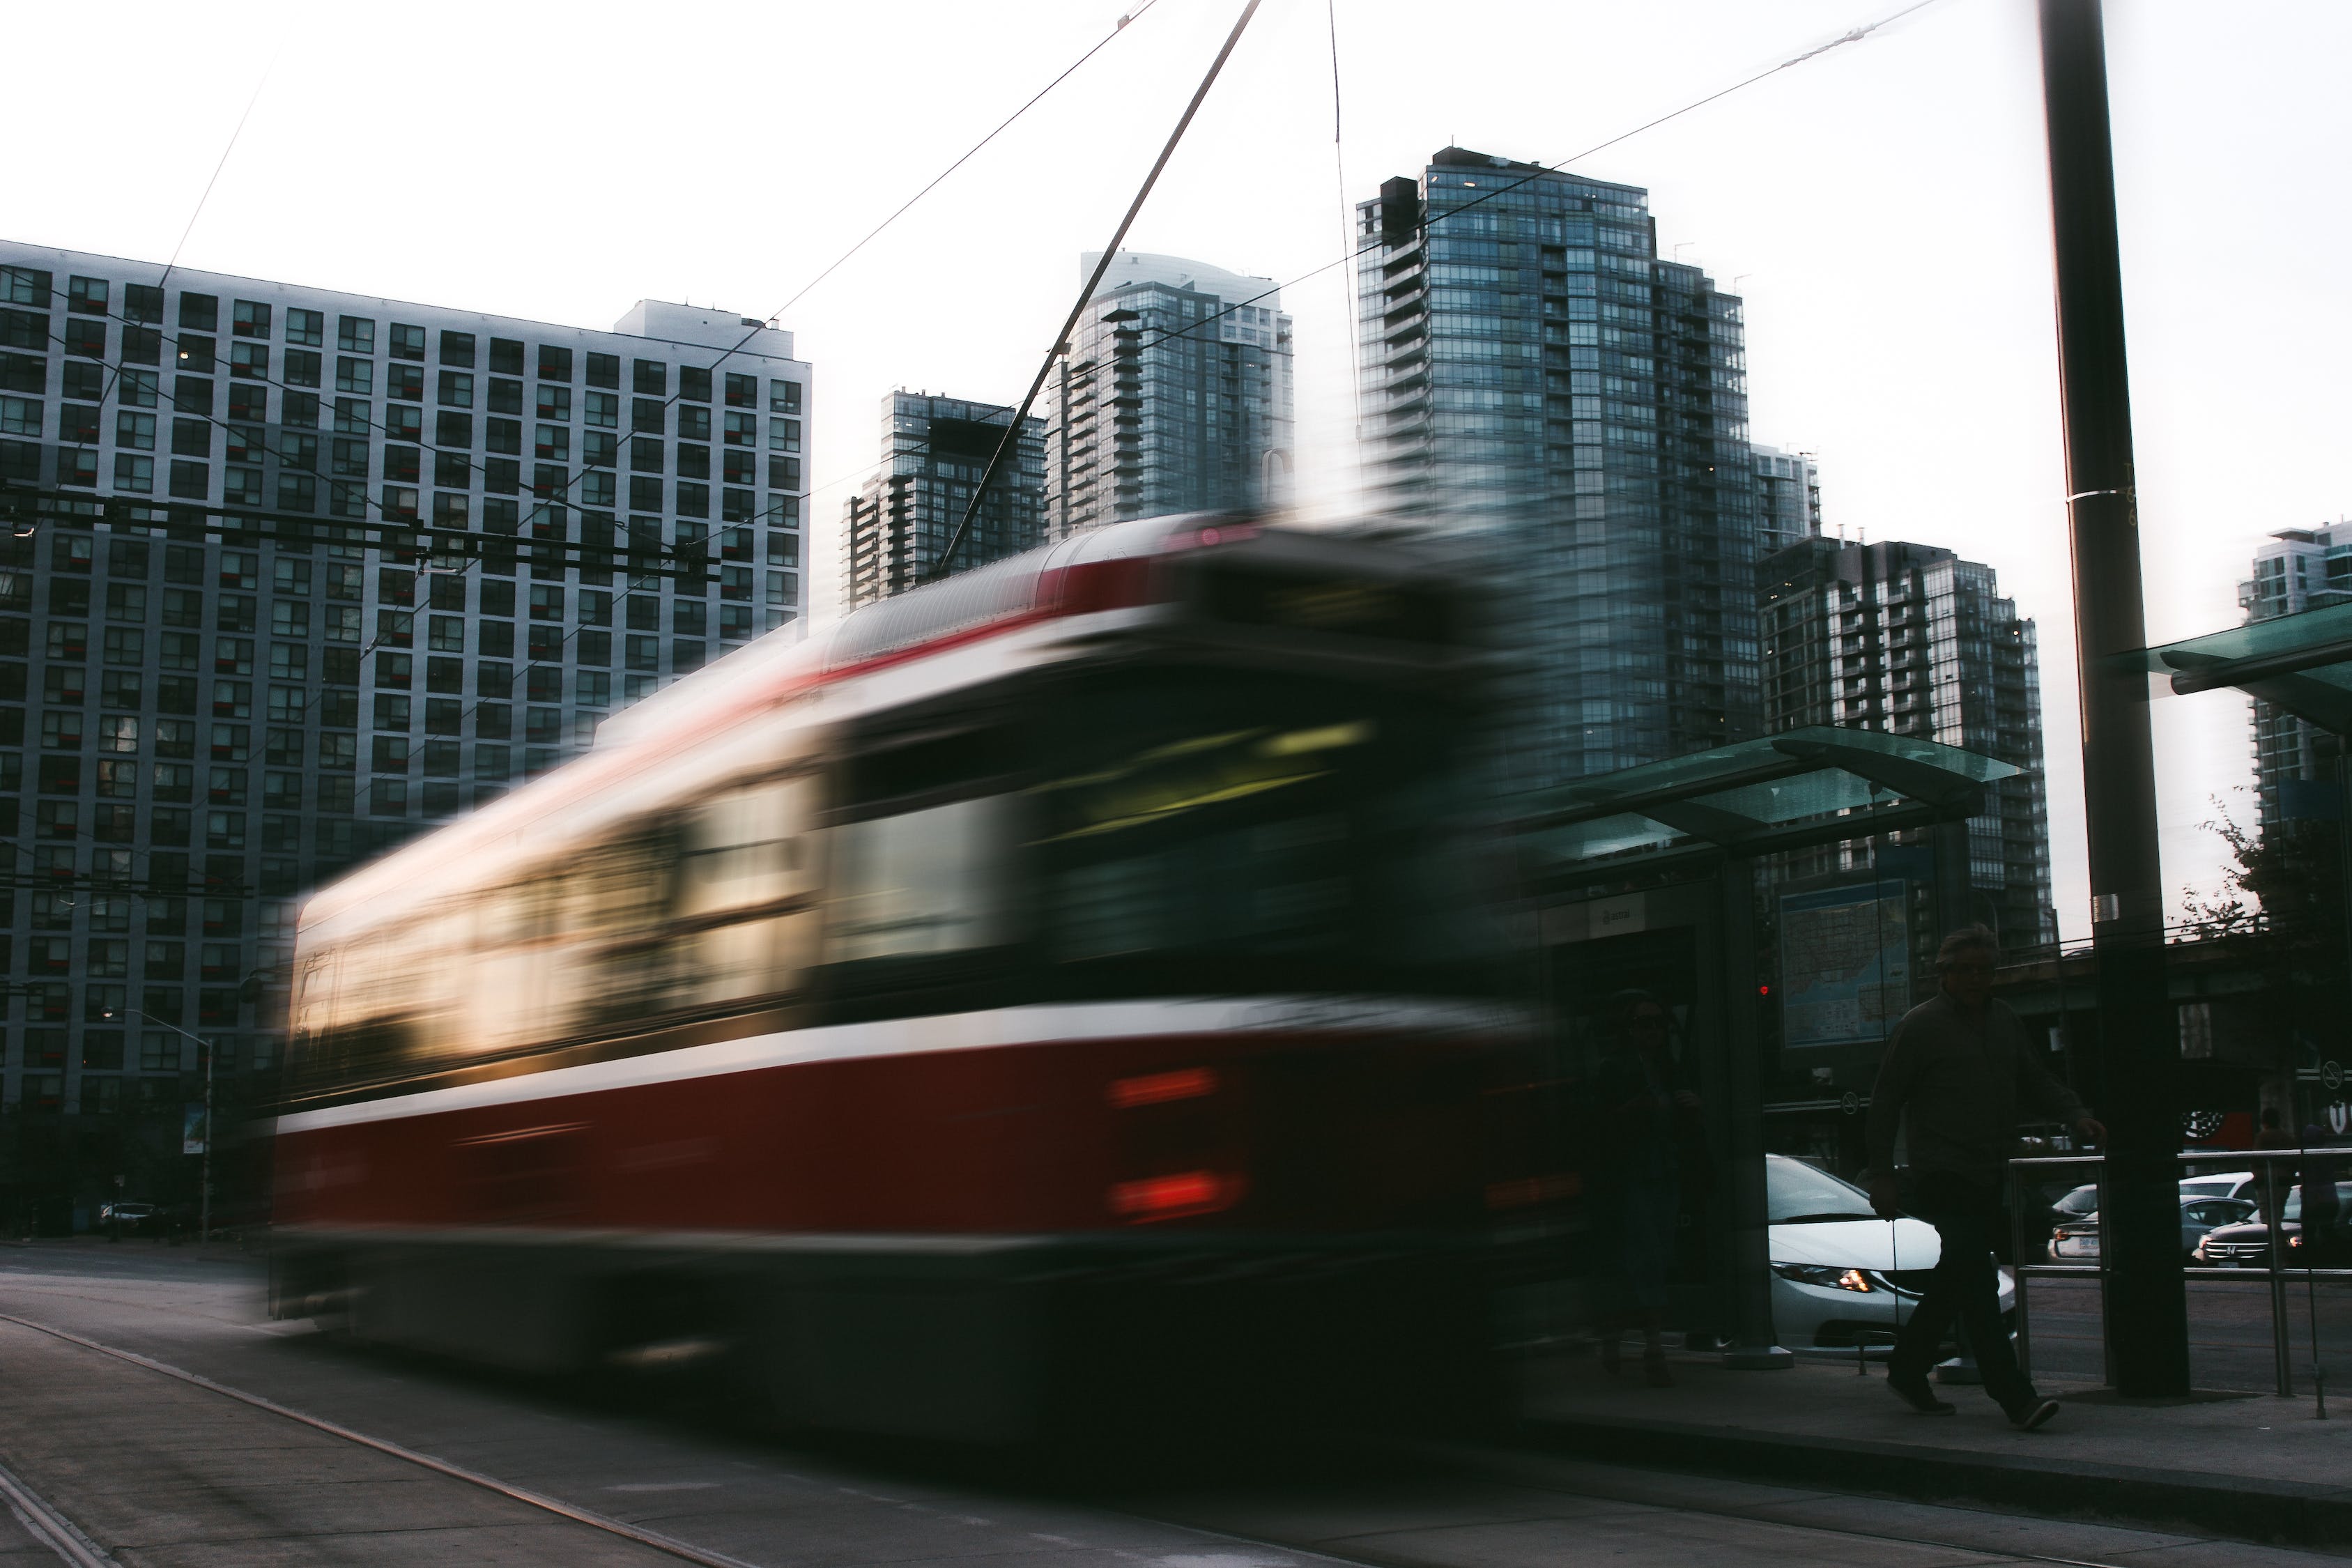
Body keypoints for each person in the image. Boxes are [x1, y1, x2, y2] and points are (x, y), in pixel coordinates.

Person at [1867, 925, 2105, 1431]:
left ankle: (1907, 1368)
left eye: (1985, 970)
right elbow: (1885, 1101)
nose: (1977, 979)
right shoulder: (1920, 1026)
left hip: (1988, 1171)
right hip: (1941, 1171)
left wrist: (2074, 1114)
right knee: (1973, 1273)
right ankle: (2014, 1395)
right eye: (1967, 970)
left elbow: (2034, 1076)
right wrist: (1882, 1176)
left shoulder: (2003, 1021)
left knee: (1956, 1275)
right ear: (1944, 973)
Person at [1590, 990, 1703, 1388]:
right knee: (1646, 1257)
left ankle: (1621, 1338)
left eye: (1658, 1022)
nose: (1652, 1030)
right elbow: (1599, 1128)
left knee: (1652, 1255)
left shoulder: (1671, 1070)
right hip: (1632, 1177)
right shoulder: (1616, 1070)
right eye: (1644, 1023)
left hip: (1662, 1174)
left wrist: (1690, 1107)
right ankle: (1650, 1345)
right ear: (1630, 1029)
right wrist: (1633, 1112)